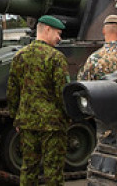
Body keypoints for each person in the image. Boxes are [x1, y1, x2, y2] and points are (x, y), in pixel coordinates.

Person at [7, 15, 70, 186]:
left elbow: (12, 92)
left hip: (27, 122)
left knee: (28, 168)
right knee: (53, 170)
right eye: (58, 33)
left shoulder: (19, 56)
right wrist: (68, 117)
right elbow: (62, 92)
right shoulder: (56, 58)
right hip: (53, 124)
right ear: (47, 29)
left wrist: (16, 118)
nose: (59, 38)